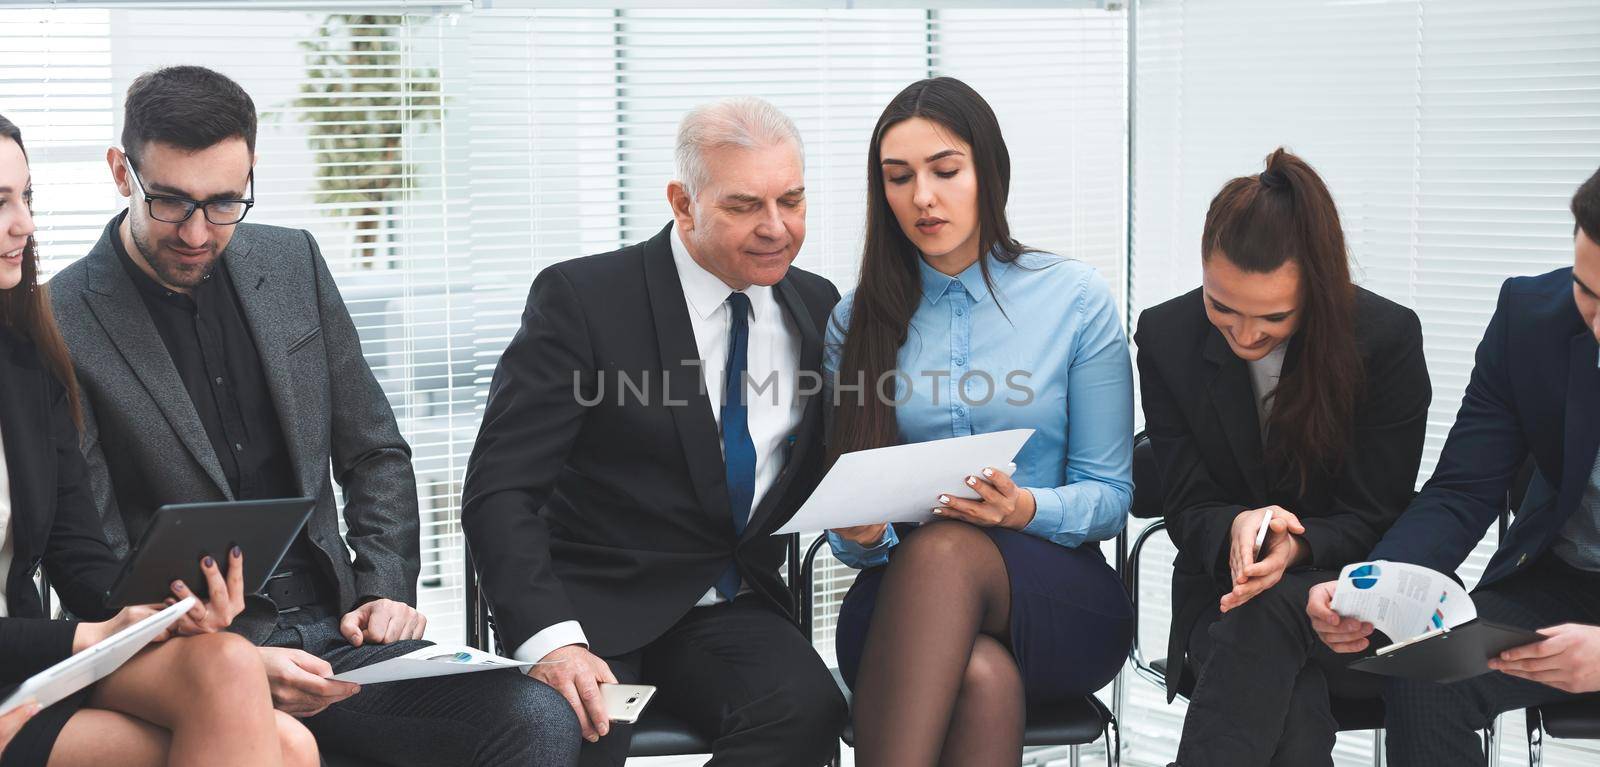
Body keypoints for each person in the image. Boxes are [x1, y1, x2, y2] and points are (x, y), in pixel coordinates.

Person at [45, 66, 579, 766]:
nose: (199, 232)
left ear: (251, 173)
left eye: (225, 202)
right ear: (122, 172)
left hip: (347, 637)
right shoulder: (60, 321)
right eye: (172, 202)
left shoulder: (292, 262)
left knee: (540, 719)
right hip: (202, 658)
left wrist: (384, 588)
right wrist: (219, 667)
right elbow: (96, 566)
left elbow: (375, 453)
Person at [462, 96, 847, 766]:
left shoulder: (816, 306)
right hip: (590, 609)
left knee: (807, 708)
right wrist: (552, 640)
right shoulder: (582, 300)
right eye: (744, 205)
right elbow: (500, 491)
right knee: (574, 737)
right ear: (683, 202)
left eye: (792, 200)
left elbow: (822, 469)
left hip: (730, 607)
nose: (776, 227)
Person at [824, 76, 1135, 766]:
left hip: (1058, 597)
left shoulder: (1075, 300)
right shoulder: (855, 322)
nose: (922, 197)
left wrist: (1022, 509)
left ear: (988, 170)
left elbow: (1110, 497)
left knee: (946, 548)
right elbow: (852, 534)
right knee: (980, 674)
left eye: (945, 170)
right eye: (898, 178)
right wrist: (862, 537)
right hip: (898, 600)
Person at [0, 111, 315, 767]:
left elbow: (75, 553)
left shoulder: (24, 357)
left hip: (29, 662)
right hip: (30, 658)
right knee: (284, 745)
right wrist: (90, 637)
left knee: (229, 660)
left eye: (26, 198)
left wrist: (164, 606)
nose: (24, 224)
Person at [1136, 148, 1431, 767]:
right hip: (1223, 601)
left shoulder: (1385, 340)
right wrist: (1238, 525)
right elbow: (1188, 506)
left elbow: (1380, 514)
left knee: (1270, 624)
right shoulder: (1166, 336)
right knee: (1289, 703)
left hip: (1351, 608)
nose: (1244, 336)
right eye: (1222, 309)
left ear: (1316, 288)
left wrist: (1296, 547)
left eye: (1273, 316)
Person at [1308, 164, 1600, 766]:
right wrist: (1371, 587)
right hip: (1565, 579)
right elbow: (1464, 488)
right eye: (1590, 293)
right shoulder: (1531, 319)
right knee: (1425, 673)